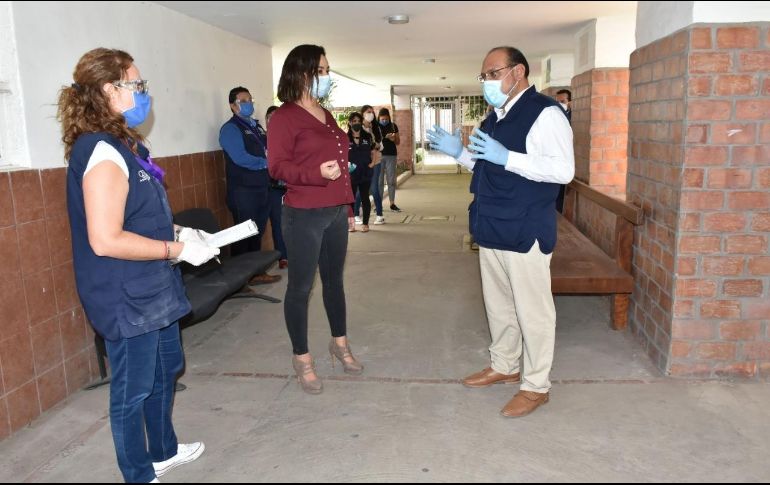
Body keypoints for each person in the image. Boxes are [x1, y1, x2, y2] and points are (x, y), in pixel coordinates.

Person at [58, 48, 219, 482]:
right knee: (133, 389)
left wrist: (181, 233)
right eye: (138, 85)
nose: (145, 93)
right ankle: (137, 473)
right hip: (127, 294)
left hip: (153, 286)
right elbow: (106, 238)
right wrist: (176, 251)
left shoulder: (125, 146)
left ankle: (163, 450)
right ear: (110, 90)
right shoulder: (100, 153)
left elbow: (139, 216)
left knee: (166, 367)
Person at [427, 46, 574, 418]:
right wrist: (458, 152)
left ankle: (536, 384)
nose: (488, 82)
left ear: (518, 72)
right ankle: (505, 364)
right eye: (484, 76)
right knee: (499, 305)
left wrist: (506, 157)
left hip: (525, 228)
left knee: (533, 311)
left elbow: (563, 171)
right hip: (492, 225)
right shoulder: (495, 116)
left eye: (493, 73)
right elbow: (483, 164)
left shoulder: (545, 113)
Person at [268, 44, 363, 395]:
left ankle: (340, 345)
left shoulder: (324, 112)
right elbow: (276, 167)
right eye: (321, 70)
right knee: (300, 288)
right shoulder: (284, 117)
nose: (326, 75)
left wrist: (349, 207)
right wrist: (313, 173)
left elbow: (340, 165)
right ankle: (302, 358)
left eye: (326, 69)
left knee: (335, 283)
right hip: (304, 214)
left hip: (335, 211)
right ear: (302, 72)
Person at [219, 86, 281, 284]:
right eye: (243, 101)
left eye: (250, 100)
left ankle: (255, 274)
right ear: (233, 106)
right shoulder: (230, 129)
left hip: (261, 188)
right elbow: (240, 157)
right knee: (243, 235)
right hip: (243, 191)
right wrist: (266, 163)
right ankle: (239, 280)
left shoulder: (256, 126)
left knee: (257, 233)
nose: (248, 104)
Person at [265, 105, 289, 268]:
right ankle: (283, 256)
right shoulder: (262, 139)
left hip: (290, 187)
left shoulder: (288, 139)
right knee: (277, 221)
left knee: (293, 221)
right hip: (272, 188)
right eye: (270, 117)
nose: (273, 120)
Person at [354, 104, 385, 225]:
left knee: (374, 188)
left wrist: (376, 145)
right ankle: (356, 214)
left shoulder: (376, 128)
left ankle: (379, 215)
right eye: (368, 112)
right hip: (362, 162)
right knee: (360, 189)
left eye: (372, 112)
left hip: (376, 161)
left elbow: (381, 146)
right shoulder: (359, 128)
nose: (370, 114)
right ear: (362, 114)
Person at [347, 112, 375, 232]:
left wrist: (372, 163)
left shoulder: (367, 137)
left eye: (358, 121)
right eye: (354, 121)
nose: (357, 123)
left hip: (365, 172)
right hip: (351, 173)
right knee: (351, 199)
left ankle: (365, 224)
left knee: (365, 198)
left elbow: (374, 151)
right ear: (350, 123)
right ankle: (351, 224)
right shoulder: (345, 138)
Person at [377, 107, 403, 212]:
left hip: (391, 156)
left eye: (386, 119)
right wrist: (384, 137)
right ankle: (379, 205)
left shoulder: (393, 126)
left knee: (391, 180)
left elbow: (398, 142)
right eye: (382, 119)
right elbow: (374, 141)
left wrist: (393, 139)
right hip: (379, 156)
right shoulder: (376, 127)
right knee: (379, 181)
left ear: (389, 118)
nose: (384, 121)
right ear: (379, 118)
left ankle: (392, 203)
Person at [554, 89, 572, 212]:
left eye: (563, 101)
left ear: (570, 102)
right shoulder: (555, 116)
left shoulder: (573, 117)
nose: (560, 104)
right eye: (557, 102)